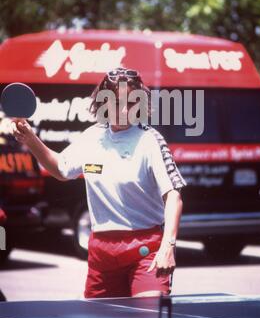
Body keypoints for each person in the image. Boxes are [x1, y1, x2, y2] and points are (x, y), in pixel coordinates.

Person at [10, 67, 187, 298]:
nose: (123, 110)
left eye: (131, 102)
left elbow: (174, 195)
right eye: (115, 102)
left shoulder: (150, 140)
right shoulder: (92, 137)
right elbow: (61, 169)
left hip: (146, 250)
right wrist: (31, 139)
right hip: (102, 252)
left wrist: (168, 246)